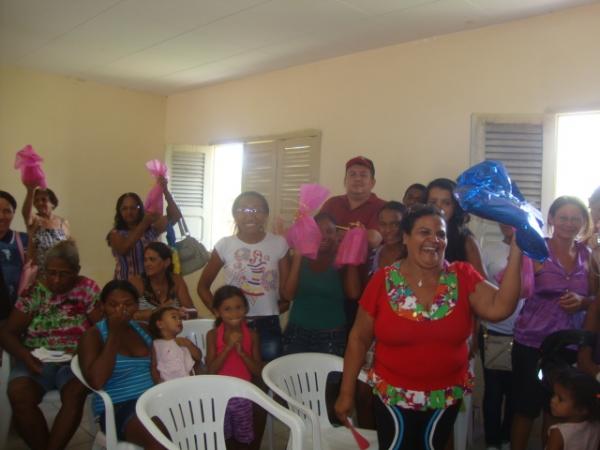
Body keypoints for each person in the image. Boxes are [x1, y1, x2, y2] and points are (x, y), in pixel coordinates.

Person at [334, 205, 523, 449]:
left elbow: (501, 307)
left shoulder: (462, 276)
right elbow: (359, 338)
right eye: (424, 232)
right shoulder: (383, 280)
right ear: (406, 237)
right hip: (393, 396)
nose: (434, 239)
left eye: (441, 234)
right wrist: (347, 391)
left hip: (444, 398)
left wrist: (517, 251)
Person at [511, 196, 596, 450]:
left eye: (575, 219)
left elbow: (595, 298)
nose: (569, 224)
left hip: (569, 344)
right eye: (563, 218)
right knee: (525, 407)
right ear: (551, 219)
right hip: (532, 342)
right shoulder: (536, 249)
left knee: (558, 406)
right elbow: (519, 289)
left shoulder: (588, 255)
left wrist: (583, 301)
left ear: (583, 222)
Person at [0, 240, 102, 450]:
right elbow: (7, 334)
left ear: (77, 270)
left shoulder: (87, 289)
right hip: (36, 359)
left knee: (75, 393)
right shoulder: (34, 292)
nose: (56, 280)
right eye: (51, 272)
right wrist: (26, 357)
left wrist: (83, 353)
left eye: (64, 274)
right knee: (18, 394)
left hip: (75, 361)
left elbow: (102, 329)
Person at [197, 191, 290, 362]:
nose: (251, 216)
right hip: (234, 326)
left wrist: (275, 309)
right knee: (237, 374)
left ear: (266, 215)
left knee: (267, 376)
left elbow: (287, 292)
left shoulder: (279, 243)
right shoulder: (225, 245)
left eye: (257, 210)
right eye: (244, 210)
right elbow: (202, 286)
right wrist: (220, 314)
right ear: (235, 214)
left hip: (267, 325)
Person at [78, 280, 165, 449]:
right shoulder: (93, 336)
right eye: (113, 305)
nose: (120, 310)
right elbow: (96, 381)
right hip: (120, 407)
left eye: (128, 304)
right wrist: (114, 333)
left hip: (154, 398)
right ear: (102, 306)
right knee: (161, 440)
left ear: (136, 306)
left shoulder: (144, 329)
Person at [282, 213, 360, 356]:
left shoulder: (342, 261)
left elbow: (353, 293)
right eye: (317, 232)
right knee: (293, 376)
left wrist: (350, 255)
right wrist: (298, 256)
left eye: (329, 231)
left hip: (332, 337)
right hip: (297, 333)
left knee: (327, 378)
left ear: (337, 235)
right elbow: (288, 295)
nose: (323, 236)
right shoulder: (299, 258)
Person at [479, 223, 526, 450]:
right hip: (495, 330)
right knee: (494, 391)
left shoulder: (535, 250)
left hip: (527, 333)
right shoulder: (488, 249)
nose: (509, 225)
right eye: (504, 219)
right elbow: (480, 289)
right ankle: (492, 442)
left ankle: (507, 439)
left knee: (517, 392)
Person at [206, 285, 262, 450]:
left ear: (245, 308)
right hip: (219, 394)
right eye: (227, 309)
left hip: (242, 394)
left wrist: (243, 353)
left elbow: (258, 371)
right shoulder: (213, 335)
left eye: (238, 307)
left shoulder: (252, 335)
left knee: (244, 438)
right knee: (222, 436)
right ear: (217, 312)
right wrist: (228, 347)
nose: (234, 313)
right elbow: (211, 371)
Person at [107, 183, 181, 280]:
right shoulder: (115, 234)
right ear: (119, 212)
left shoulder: (151, 229)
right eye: (124, 209)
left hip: (150, 285)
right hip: (125, 286)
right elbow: (123, 248)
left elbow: (175, 216)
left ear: (140, 209)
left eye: (133, 208)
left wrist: (165, 191)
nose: (129, 212)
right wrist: (144, 223)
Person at [321, 156, 387, 250]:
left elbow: (372, 240)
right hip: (328, 262)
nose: (357, 179)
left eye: (363, 175)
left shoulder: (383, 207)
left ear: (372, 182)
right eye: (352, 174)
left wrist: (334, 233)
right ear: (345, 181)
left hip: (365, 264)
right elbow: (315, 232)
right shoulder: (332, 203)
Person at [426, 178, 486, 275]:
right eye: (433, 202)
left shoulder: (466, 241)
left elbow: (484, 284)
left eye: (446, 203)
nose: (438, 207)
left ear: (455, 207)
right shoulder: (416, 234)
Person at [129, 242, 195, 321]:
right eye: (145, 260)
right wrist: (160, 310)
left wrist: (184, 313)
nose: (147, 264)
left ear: (166, 262)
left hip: (173, 332)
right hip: (144, 331)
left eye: (152, 259)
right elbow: (131, 315)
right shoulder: (137, 282)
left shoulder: (177, 280)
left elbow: (192, 312)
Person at [545, 368, 600, 450]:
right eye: (554, 395)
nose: (553, 400)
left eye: (560, 399)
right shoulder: (596, 426)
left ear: (581, 409)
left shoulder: (558, 433)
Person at [22, 185, 70, 272]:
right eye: (36, 200)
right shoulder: (34, 219)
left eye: (44, 200)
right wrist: (30, 190)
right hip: (39, 274)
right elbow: (25, 213)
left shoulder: (63, 223)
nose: (39, 203)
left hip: (59, 273)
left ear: (53, 203)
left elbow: (69, 249)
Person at [148, 306, 202, 382]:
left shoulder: (183, 341)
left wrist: (188, 344)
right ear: (160, 324)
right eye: (174, 317)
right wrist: (158, 382)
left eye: (180, 318)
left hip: (189, 380)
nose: (179, 321)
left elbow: (198, 357)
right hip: (169, 384)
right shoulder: (156, 345)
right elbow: (154, 366)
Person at [0, 190, 28, 318]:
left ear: (13, 213)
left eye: (7, 211)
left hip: (15, 314)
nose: (1, 216)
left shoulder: (23, 240)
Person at [370, 201, 407, 275]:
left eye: (395, 224)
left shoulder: (414, 256)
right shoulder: (374, 255)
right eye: (383, 224)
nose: (388, 230)